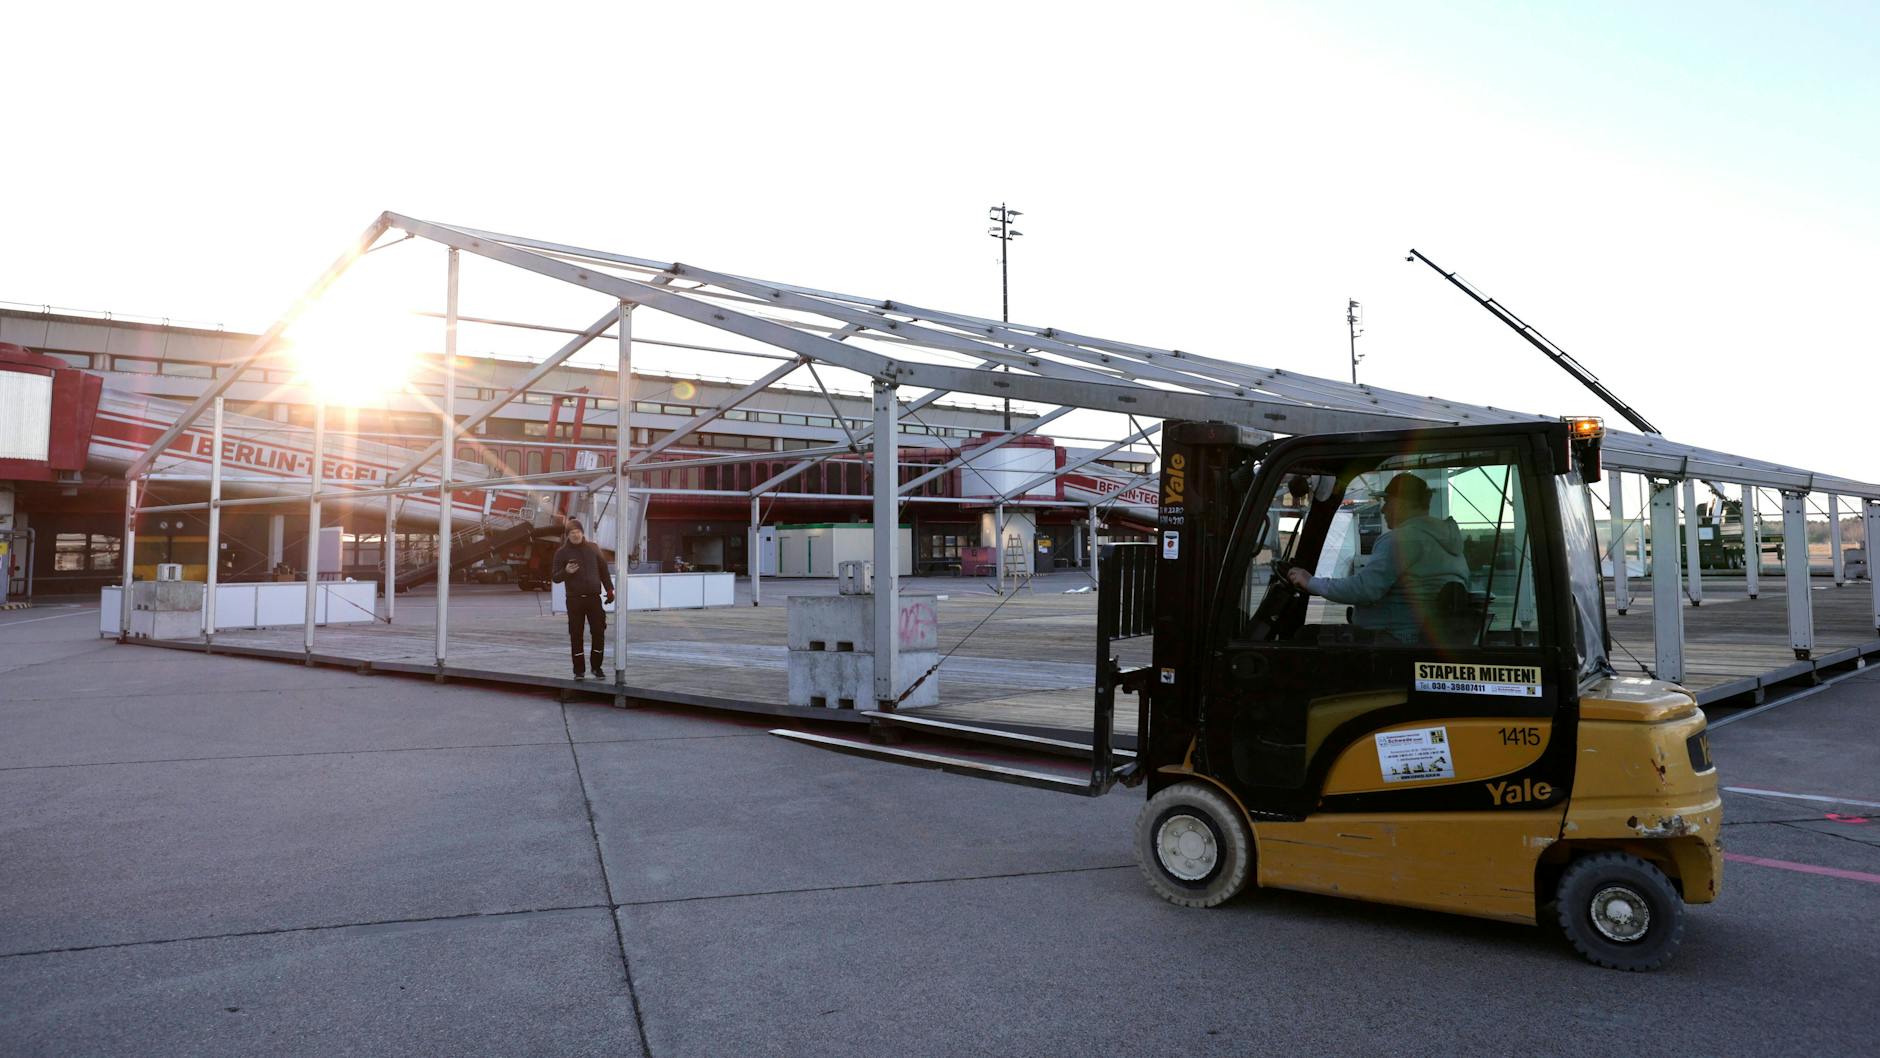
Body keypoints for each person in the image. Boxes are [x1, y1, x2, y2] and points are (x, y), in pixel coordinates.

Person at [1285, 472, 1472, 642]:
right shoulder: (1448, 542)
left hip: (1394, 639)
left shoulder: (1401, 540)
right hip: (1420, 638)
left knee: (1305, 637)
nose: (1383, 510)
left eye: (1387, 502)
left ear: (1402, 503)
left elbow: (1364, 589)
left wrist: (1310, 582)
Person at [552, 520, 615, 678]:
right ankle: (579, 670)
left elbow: (604, 571)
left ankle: (596, 667)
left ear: (582, 532)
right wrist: (566, 571)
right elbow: (555, 577)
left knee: (599, 632)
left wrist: (609, 589)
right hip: (574, 600)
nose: (576, 535)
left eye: (578, 532)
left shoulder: (593, 548)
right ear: (568, 535)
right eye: (572, 533)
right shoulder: (561, 552)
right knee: (576, 634)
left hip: (594, 598)